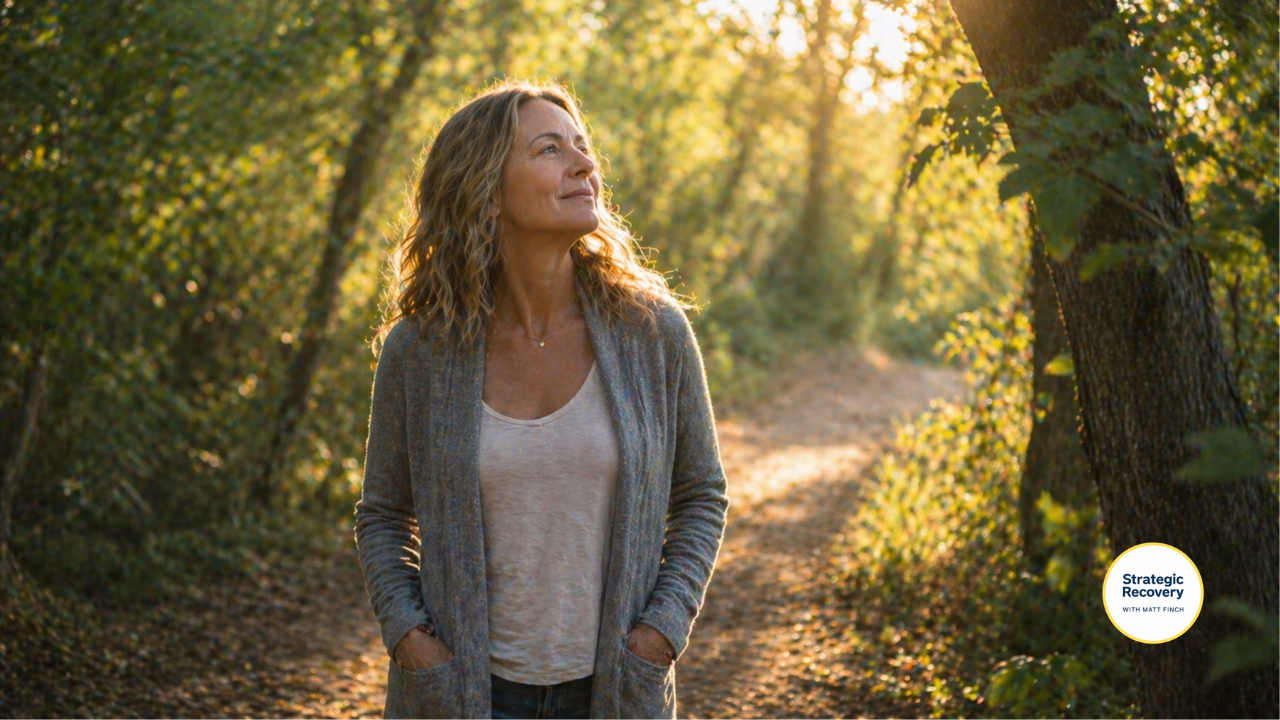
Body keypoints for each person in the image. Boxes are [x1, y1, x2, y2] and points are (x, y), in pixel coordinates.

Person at [353, 80, 730, 719]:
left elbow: (701, 496)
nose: (585, 164)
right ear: (486, 190)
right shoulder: (420, 348)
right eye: (550, 149)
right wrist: (412, 640)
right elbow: (384, 513)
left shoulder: (652, 331)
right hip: (466, 693)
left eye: (582, 147)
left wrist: (660, 632)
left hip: (613, 690)